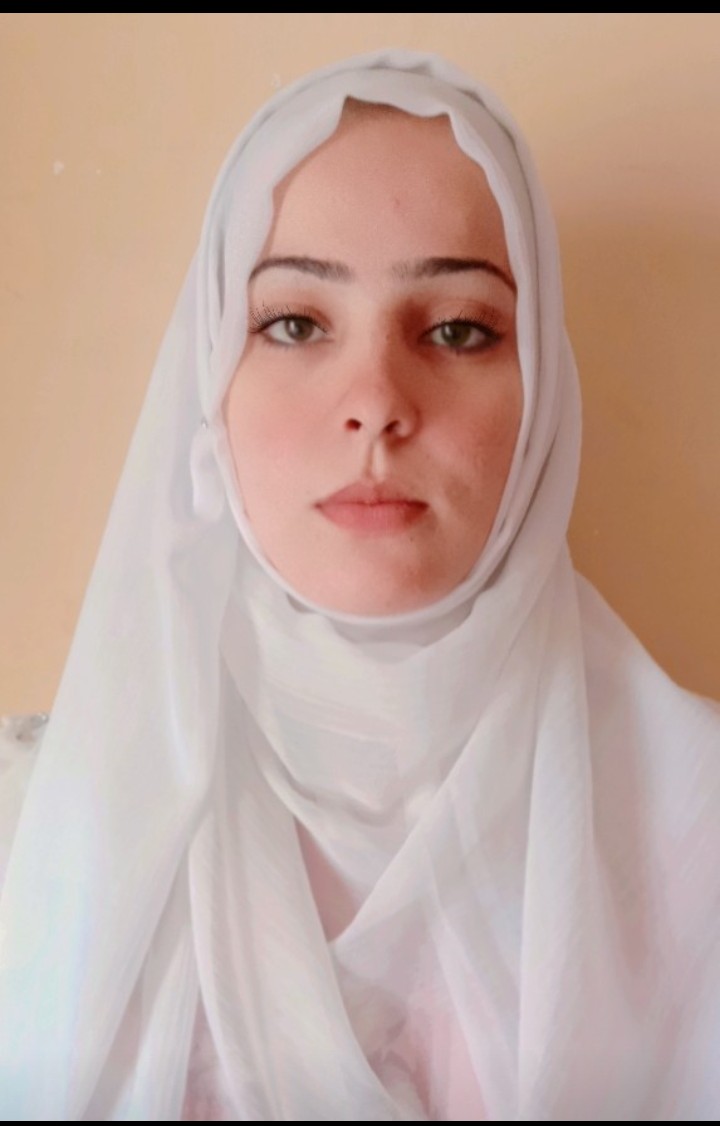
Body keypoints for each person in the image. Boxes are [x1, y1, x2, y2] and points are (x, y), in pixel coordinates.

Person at [0, 48, 718, 1122]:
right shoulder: (31, 838)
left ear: (541, 399)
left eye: (458, 329)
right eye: (296, 323)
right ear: (210, 380)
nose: (377, 400)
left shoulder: (699, 836)